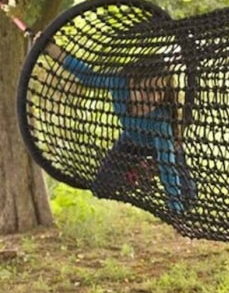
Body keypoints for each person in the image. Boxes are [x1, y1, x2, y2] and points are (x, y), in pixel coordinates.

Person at [44, 42, 196, 214]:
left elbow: (167, 165)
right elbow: (88, 77)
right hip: (131, 141)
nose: (151, 98)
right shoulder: (119, 83)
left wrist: (176, 210)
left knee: (188, 197)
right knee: (101, 188)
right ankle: (138, 171)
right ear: (131, 83)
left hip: (161, 147)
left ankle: (150, 167)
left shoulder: (160, 121)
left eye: (158, 92)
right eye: (145, 90)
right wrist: (53, 51)